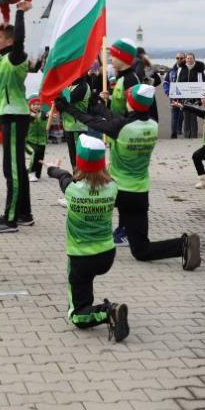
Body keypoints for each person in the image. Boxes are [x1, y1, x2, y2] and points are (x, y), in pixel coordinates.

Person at [57, 83, 201, 268]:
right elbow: (116, 121)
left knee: (83, 198)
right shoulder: (152, 125)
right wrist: (99, 106)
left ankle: (87, 246)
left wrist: (68, 108)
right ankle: (182, 245)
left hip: (118, 190)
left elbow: (93, 122)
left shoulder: (121, 127)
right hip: (140, 192)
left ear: (131, 103)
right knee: (141, 249)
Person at [46, 136, 130, 343]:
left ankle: (108, 312)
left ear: (79, 163)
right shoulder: (113, 188)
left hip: (81, 258)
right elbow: (101, 179)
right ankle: (90, 303)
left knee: (77, 317)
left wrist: (50, 169)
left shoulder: (72, 191)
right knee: (85, 283)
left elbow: (64, 176)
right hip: (106, 256)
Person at [0, 3, 34, 233]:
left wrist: (20, 13)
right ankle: (24, 214)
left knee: (11, 169)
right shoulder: (1, 59)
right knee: (18, 167)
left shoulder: (15, 57)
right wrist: (3, 22)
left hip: (14, 116)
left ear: (10, 41)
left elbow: (20, 40)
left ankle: (10, 219)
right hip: (10, 115)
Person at [60, 76, 91, 168]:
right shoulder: (71, 85)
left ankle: (80, 176)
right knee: (73, 154)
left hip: (77, 126)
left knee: (78, 154)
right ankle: (76, 175)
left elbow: (68, 100)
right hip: (69, 126)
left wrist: (59, 93)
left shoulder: (82, 86)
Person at [106, 39, 142, 116]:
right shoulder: (120, 77)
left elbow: (133, 113)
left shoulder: (130, 80)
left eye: (113, 55)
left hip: (124, 126)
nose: (111, 59)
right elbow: (119, 104)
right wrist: (108, 99)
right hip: (117, 124)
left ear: (122, 58)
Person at [26, 95, 48, 181]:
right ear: (30, 105)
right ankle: (31, 172)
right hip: (30, 140)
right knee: (34, 153)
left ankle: (36, 173)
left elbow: (46, 116)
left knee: (40, 157)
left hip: (42, 140)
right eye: (34, 104)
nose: (36, 106)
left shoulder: (42, 113)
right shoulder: (27, 114)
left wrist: (50, 116)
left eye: (38, 104)